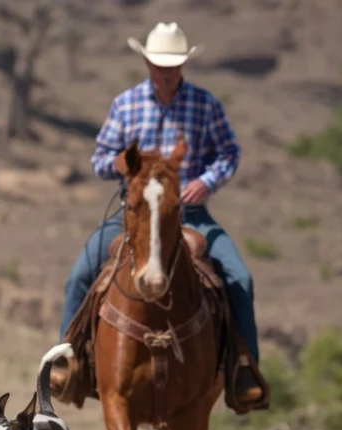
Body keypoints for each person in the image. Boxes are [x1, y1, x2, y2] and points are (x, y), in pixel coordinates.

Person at [57, 21, 265, 408]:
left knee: (239, 277)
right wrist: (122, 165)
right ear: (147, 64)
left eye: (172, 65)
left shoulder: (206, 105)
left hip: (191, 213)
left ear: (183, 65)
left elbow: (229, 153)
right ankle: (65, 361)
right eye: (158, 64)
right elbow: (99, 159)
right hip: (134, 215)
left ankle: (243, 368)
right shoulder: (126, 104)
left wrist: (206, 180)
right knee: (80, 275)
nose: (165, 72)